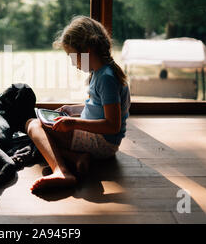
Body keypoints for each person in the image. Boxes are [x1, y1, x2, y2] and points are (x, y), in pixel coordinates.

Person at [25, 16, 131, 192]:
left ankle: (62, 171)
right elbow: (99, 108)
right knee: (44, 136)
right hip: (102, 140)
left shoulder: (106, 78)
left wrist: (73, 123)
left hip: (102, 144)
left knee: (33, 125)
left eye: (72, 56)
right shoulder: (103, 71)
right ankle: (77, 157)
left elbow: (113, 125)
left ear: (87, 52)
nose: (73, 63)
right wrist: (72, 110)